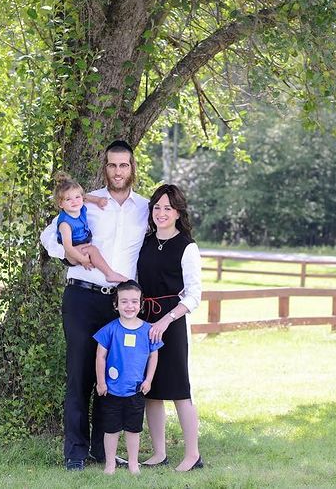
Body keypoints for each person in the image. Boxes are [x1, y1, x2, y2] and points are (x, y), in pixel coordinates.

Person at [40, 140, 149, 471]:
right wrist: (72, 255)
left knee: (114, 377)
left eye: (124, 165)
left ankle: (104, 450)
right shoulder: (86, 202)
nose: (118, 171)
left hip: (119, 305)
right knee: (79, 374)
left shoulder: (145, 208)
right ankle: (75, 451)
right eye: (112, 165)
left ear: (132, 168)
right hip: (82, 297)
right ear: (105, 168)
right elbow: (48, 237)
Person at [137, 184, 204, 472]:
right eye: (157, 207)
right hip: (144, 320)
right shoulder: (146, 242)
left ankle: (193, 455)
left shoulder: (187, 247)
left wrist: (166, 319)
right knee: (151, 389)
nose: (161, 213)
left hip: (172, 323)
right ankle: (159, 453)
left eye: (168, 208)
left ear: (178, 212)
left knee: (179, 389)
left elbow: (194, 295)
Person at [93, 280, 163, 475]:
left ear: (141, 304)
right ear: (116, 304)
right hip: (111, 391)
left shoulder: (148, 330)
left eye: (134, 301)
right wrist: (101, 382)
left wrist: (148, 380)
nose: (129, 306)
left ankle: (133, 463)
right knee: (111, 429)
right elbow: (100, 356)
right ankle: (110, 464)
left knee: (133, 429)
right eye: (124, 301)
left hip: (136, 390)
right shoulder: (109, 330)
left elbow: (153, 356)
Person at [52, 171, 127, 283]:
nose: (74, 201)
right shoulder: (65, 223)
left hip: (80, 243)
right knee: (92, 250)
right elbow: (68, 247)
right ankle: (110, 274)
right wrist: (83, 259)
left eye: (77, 197)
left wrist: (98, 200)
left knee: (92, 249)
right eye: (68, 199)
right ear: (60, 204)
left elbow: (85, 197)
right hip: (71, 252)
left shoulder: (80, 206)